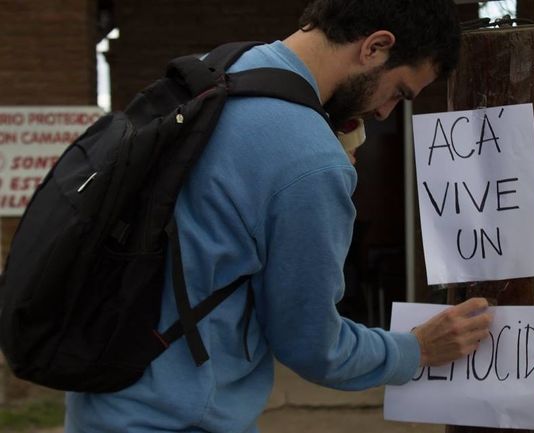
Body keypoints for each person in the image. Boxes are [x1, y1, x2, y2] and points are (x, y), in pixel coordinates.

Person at [65, 1, 492, 432]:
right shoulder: (312, 161)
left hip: (102, 400)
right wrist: (416, 349)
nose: (384, 112)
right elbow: (313, 346)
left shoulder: (215, 69)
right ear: (376, 47)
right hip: (177, 421)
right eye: (399, 92)